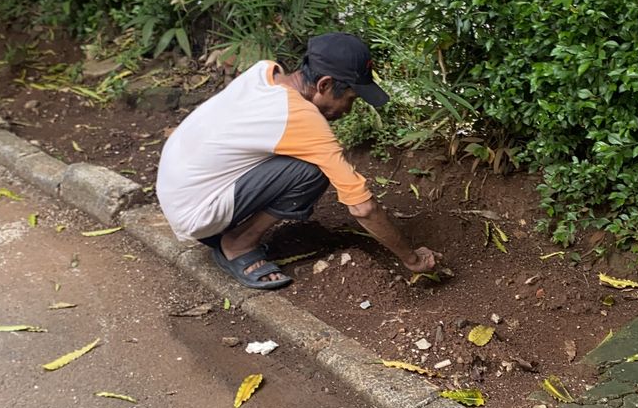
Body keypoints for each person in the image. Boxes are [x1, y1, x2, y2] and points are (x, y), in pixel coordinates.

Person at [155, 32, 441, 290]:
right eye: (351, 99)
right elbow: (363, 208)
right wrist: (412, 258)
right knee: (313, 171)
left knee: (298, 159)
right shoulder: (300, 118)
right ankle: (238, 245)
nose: (349, 110)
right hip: (194, 211)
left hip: (176, 185)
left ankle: (224, 228)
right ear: (324, 84)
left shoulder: (265, 71)